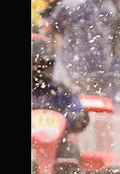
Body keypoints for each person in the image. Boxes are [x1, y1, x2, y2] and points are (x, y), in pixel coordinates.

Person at [42, 0, 117, 98]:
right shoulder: (106, 6)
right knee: (99, 102)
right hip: (101, 64)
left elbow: (54, 28)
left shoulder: (68, 5)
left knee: (75, 102)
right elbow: (113, 31)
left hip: (73, 64)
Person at [32, 33, 88, 165]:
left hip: (57, 147)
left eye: (46, 64)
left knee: (70, 152)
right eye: (38, 64)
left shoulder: (60, 91)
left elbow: (76, 111)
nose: (42, 68)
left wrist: (74, 118)